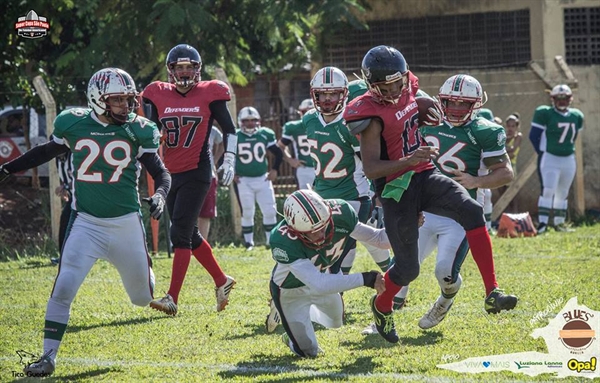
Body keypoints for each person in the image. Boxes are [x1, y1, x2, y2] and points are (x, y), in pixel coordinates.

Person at [0, 67, 171, 377]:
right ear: (97, 100)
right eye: (117, 100)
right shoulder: (73, 123)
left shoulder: (139, 129)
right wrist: (8, 169)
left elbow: (161, 173)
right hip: (86, 223)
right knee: (63, 285)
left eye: (128, 99)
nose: (126, 106)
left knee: (141, 297)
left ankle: (150, 291)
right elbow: (46, 151)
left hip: (126, 224)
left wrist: (159, 195)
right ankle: (48, 357)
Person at [343, 45, 518, 343]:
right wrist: (408, 160)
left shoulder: (409, 86)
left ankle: (492, 292)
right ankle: (381, 307)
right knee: (408, 269)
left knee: (472, 211)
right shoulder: (369, 114)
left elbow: (412, 108)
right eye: (384, 87)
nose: (393, 90)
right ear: (371, 85)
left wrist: (421, 110)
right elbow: (372, 169)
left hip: (424, 173)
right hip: (396, 188)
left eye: (396, 83)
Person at [142, 44, 237, 316]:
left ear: (198, 69)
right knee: (188, 232)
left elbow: (229, 129)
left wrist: (229, 158)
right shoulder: (156, 93)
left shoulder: (210, 92)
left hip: (198, 171)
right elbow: (149, 132)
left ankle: (172, 297)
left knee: (179, 233)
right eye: (179, 67)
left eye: (189, 67)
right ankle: (222, 281)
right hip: (169, 172)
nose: (184, 72)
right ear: (171, 71)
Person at [415, 74, 515, 329]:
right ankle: (382, 316)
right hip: (426, 206)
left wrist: (476, 181)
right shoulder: (425, 121)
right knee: (403, 266)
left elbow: (506, 173)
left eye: (464, 104)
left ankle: (445, 299)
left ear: (477, 104)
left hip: (461, 212)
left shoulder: (484, 130)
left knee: (444, 273)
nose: (456, 109)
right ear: (441, 101)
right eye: (451, 102)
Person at [270, 189, 386, 357]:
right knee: (309, 352)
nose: (320, 235)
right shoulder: (283, 240)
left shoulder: (341, 212)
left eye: (323, 227)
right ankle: (290, 331)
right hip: (290, 291)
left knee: (336, 322)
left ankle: (298, 318)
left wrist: (409, 226)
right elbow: (319, 283)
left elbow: (379, 239)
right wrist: (367, 279)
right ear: (295, 230)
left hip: (321, 278)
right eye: (312, 231)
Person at [529, 84, 584, 233]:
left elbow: (574, 137)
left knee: (563, 192)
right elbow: (534, 136)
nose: (561, 101)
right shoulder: (544, 113)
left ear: (570, 98)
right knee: (548, 190)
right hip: (551, 157)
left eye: (564, 98)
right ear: (552, 99)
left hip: (568, 159)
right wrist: (542, 151)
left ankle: (559, 223)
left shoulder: (577, 115)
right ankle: (543, 224)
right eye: (558, 98)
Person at [234, 106, 283, 250]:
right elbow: (227, 156)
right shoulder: (235, 136)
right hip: (244, 180)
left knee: (270, 210)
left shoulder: (265, 134)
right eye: (246, 121)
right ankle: (249, 242)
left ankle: (270, 241)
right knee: (248, 210)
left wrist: (274, 170)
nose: (250, 123)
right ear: (240, 122)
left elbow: (278, 153)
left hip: (262, 178)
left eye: (253, 120)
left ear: (258, 121)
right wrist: (232, 173)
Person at [277, 98, 316, 190]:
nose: (308, 115)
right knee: (305, 199)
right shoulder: (294, 127)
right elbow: (280, 146)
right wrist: (290, 159)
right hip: (304, 168)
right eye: (305, 111)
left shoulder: (325, 125)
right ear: (300, 112)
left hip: (324, 168)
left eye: (311, 112)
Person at [197, 125, 224, 239]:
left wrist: (215, 160)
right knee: (186, 213)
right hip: (187, 174)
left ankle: (202, 244)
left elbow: (223, 142)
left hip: (208, 174)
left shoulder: (211, 129)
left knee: (205, 214)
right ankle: (185, 244)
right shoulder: (182, 125)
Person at [50, 150, 73, 265]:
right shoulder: (58, 160)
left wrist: (64, 187)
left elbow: (81, 178)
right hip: (74, 198)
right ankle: (64, 257)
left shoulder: (73, 156)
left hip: (86, 198)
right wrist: (66, 189)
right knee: (65, 224)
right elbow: (66, 178)